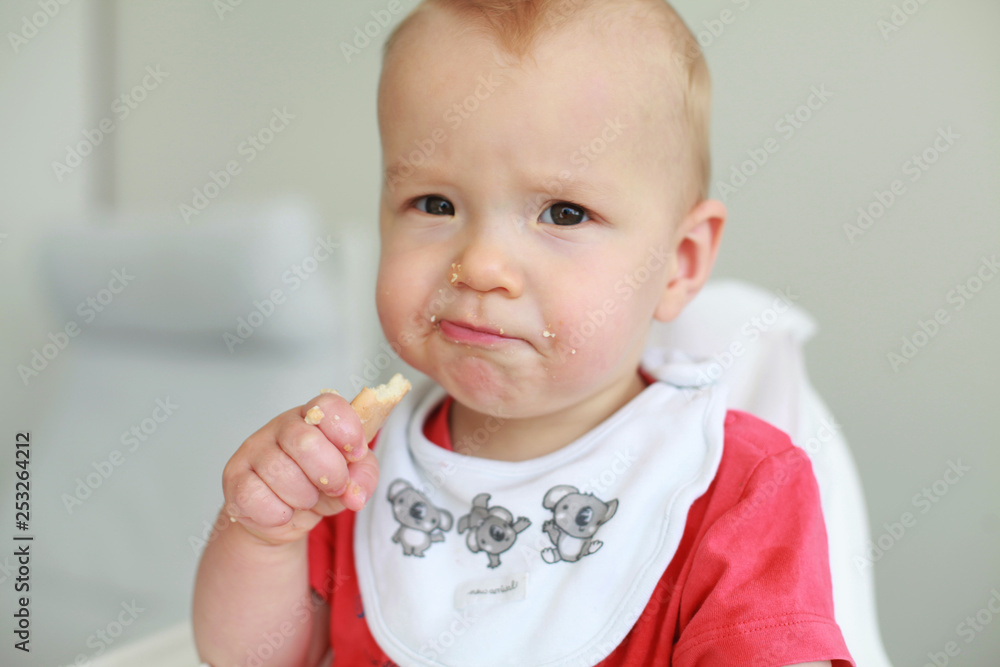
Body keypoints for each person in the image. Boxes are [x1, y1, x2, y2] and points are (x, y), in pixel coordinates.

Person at [193, 1, 855, 665]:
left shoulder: (735, 487)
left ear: (679, 262)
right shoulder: (351, 470)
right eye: (435, 204)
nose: (479, 265)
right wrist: (261, 534)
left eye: (563, 213)